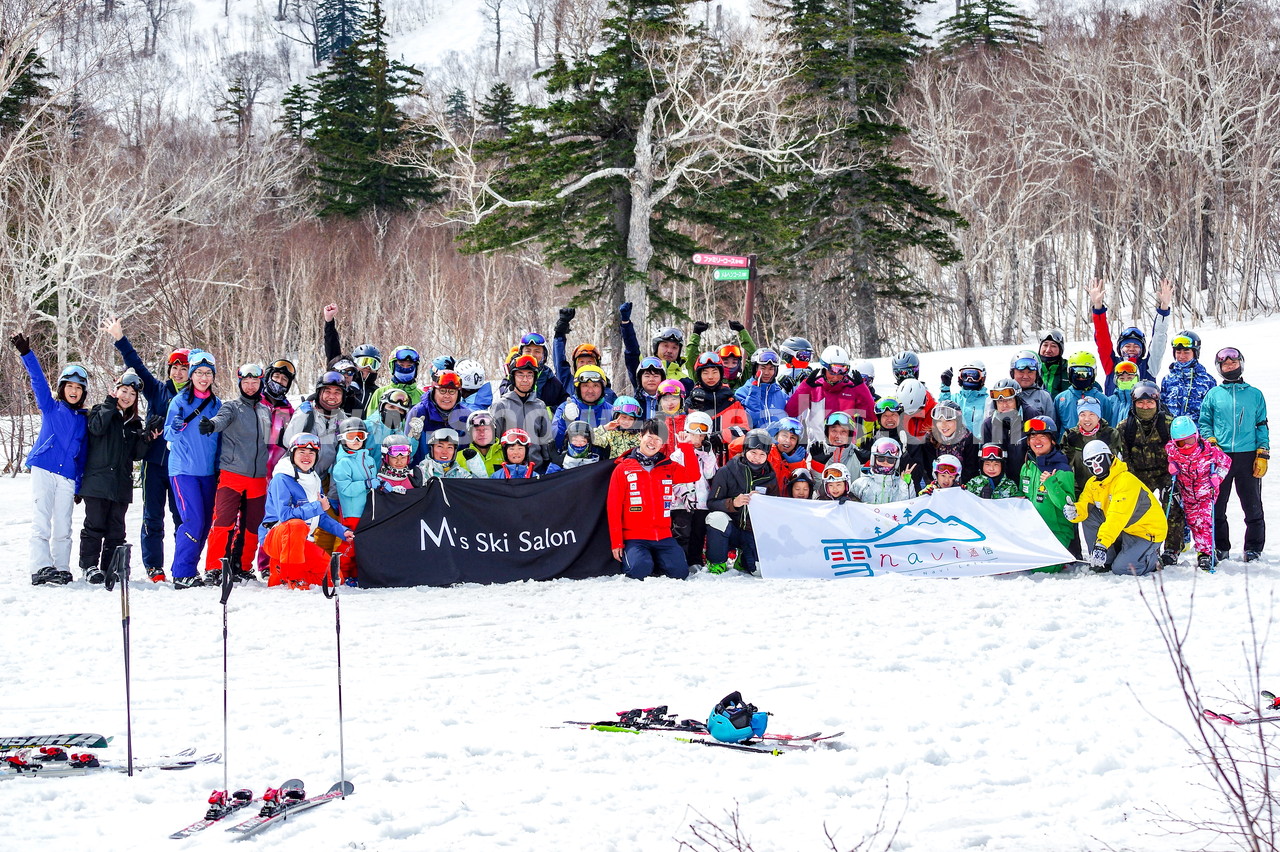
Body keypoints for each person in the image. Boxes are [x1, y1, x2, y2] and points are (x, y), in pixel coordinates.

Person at [105, 317, 184, 582]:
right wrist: (120, 339)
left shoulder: (197, 398)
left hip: (181, 467)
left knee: (182, 518)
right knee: (153, 516)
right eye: (175, 368)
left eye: (184, 369)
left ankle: (182, 564)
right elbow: (136, 365)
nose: (179, 373)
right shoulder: (157, 390)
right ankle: (154, 566)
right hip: (154, 463)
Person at [11, 332, 89, 586]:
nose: (74, 391)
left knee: (64, 525)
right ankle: (41, 567)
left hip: (66, 475)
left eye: (78, 388)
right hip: (44, 468)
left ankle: (61, 567)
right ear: (62, 388)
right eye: (70, 386)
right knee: (42, 520)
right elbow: (38, 381)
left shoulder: (84, 420)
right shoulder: (51, 407)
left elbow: (82, 455)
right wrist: (26, 353)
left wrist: (78, 484)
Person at [77, 371, 155, 584]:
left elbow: (136, 454)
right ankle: (89, 566)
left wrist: (147, 437)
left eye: (131, 394)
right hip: (97, 482)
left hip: (121, 485)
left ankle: (111, 566)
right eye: (124, 391)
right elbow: (96, 428)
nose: (127, 396)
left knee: (116, 528)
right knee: (94, 525)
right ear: (116, 390)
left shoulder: (133, 423)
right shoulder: (99, 411)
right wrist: (109, 403)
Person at [200, 363, 272, 584]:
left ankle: (242, 565)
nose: (250, 386)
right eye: (246, 382)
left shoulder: (265, 410)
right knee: (223, 521)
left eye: (255, 382)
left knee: (252, 525)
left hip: (258, 477)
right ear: (239, 383)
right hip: (232, 473)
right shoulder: (231, 407)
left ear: (261, 383)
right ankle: (214, 567)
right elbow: (220, 420)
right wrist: (211, 425)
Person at [606, 420, 701, 580]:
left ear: (663, 443)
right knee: (639, 571)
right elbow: (613, 506)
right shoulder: (623, 468)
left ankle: (658, 559)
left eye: (658, 439)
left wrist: (686, 447)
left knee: (679, 573)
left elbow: (693, 475)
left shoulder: (668, 466)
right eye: (650, 436)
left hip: (663, 536)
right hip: (635, 537)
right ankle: (646, 560)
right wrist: (617, 542)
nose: (653, 442)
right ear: (641, 436)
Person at [1198, 347, 1268, 562]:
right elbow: (1204, 422)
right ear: (1220, 368)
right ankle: (1221, 547)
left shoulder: (1254, 394)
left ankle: (1253, 547)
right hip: (1221, 457)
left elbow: (1261, 424)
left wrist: (1263, 453)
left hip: (1248, 456)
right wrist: (1210, 440)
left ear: (1240, 364)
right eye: (1225, 364)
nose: (1230, 366)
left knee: (1252, 505)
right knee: (1217, 506)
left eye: (1233, 363)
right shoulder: (1214, 394)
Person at [259, 432, 356, 588]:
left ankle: (281, 571)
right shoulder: (281, 478)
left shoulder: (314, 479)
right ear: (292, 453)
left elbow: (321, 517)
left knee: (334, 578)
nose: (307, 456)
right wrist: (317, 506)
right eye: (301, 452)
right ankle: (293, 578)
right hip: (276, 538)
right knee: (296, 525)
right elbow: (285, 516)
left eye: (312, 452)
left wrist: (342, 531)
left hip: (299, 542)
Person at [1065, 440, 1167, 576]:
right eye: (1089, 463)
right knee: (1090, 513)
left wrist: (1102, 545)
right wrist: (1076, 511)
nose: (1095, 466)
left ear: (1109, 456)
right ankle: (1105, 562)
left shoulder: (1125, 480)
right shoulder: (1093, 483)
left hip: (1145, 532)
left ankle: (1153, 559)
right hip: (1124, 529)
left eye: (1098, 459)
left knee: (1121, 569)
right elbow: (1085, 504)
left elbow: (1116, 516)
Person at [164, 349, 222, 588]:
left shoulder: (217, 404)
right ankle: (182, 572)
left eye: (208, 373)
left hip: (208, 471)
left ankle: (191, 569)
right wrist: (175, 428)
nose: (203, 377)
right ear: (191, 374)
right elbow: (167, 435)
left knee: (206, 522)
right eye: (199, 372)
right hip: (183, 470)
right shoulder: (179, 402)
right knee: (193, 520)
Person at [1116, 381, 1183, 565]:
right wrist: (1130, 482)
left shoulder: (1169, 424)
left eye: (1150, 403)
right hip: (1138, 473)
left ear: (1157, 403)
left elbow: (1180, 449)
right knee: (1136, 509)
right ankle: (1139, 545)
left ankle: (1172, 548)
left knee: (1172, 505)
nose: (1145, 407)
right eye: (1141, 403)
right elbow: (1123, 456)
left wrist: (1175, 470)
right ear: (1134, 403)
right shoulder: (1125, 427)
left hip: (1165, 472)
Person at [705, 429, 780, 575]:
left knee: (758, 571)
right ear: (745, 450)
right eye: (753, 452)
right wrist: (733, 503)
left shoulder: (770, 477)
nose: (756, 458)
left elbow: (774, 508)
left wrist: (763, 502)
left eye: (762, 454)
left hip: (753, 532)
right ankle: (717, 561)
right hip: (731, 528)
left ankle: (744, 558)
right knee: (715, 518)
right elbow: (712, 503)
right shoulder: (727, 471)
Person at [1166, 416, 1232, 571]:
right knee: (1191, 521)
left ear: (1196, 436)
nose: (1186, 446)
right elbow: (1169, 455)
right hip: (1187, 493)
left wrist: (1218, 477)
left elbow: (1226, 462)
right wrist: (1172, 465)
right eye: (1181, 443)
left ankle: (1205, 553)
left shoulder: (1209, 451)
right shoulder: (1173, 451)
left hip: (1205, 493)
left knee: (1203, 523)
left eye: (1189, 441)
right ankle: (1176, 549)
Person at [1087, 277, 1172, 390]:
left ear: (1142, 350)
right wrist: (1098, 306)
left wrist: (1164, 309)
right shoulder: (1111, 365)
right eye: (1127, 346)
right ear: (1120, 348)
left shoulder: (1149, 367)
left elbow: (1159, 340)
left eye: (1136, 346)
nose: (1131, 349)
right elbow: (1102, 339)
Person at [1017, 416, 1076, 572]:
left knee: (1041, 569)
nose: (1037, 440)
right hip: (1032, 530)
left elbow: (1068, 508)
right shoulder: (1027, 466)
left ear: (1053, 441)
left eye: (1043, 436)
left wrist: (1051, 484)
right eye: (1033, 436)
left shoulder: (1063, 469)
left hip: (1056, 531)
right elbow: (1024, 493)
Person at [784, 345, 874, 445]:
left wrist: (862, 388)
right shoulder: (815, 387)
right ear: (824, 368)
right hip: (818, 447)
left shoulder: (851, 388)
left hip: (846, 447)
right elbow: (791, 412)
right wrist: (805, 387)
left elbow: (871, 416)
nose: (836, 376)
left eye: (842, 370)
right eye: (833, 370)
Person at [330, 417, 378, 583]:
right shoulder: (343, 463)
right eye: (351, 437)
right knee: (349, 544)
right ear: (343, 439)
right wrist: (366, 484)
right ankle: (338, 574)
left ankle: (355, 574)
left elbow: (373, 482)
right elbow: (345, 489)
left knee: (362, 544)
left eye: (360, 436)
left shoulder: (369, 459)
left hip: (367, 510)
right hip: (352, 511)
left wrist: (380, 485)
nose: (356, 441)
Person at [670, 411, 718, 570]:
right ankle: (680, 560)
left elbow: (711, 473)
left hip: (701, 502)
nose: (696, 439)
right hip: (681, 504)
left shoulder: (707, 455)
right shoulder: (678, 454)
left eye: (700, 436)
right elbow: (673, 478)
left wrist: (708, 454)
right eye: (692, 434)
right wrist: (684, 494)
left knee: (698, 533)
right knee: (683, 533)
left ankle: (695, 561)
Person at [490, 354, 555, 468]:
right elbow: (494, 442)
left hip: (536, 468)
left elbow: (546, 440)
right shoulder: (500, 405)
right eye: (520, 375)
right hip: (509, 470)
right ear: (513, 377)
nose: (525, 380)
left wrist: (548, 462)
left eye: (529, 375)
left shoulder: (539, 405)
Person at [687, 352, 750, 457]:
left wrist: (722, 436)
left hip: (727, 461)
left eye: (715, 372)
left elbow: (744, 429)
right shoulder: (692, 402)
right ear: (699, 375)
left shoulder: (732, 401)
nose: (710, 377)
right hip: (699, 461)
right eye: (705, 373)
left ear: (721, 374)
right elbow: (684, 432)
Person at [321, 303, 381, 411]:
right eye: (364, 362)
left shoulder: (377, 392)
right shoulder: (346, 382)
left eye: (373, 364)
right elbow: (333, 350)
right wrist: (329, 322)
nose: (368, 366)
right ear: (355, 363)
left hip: (362, 426)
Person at [1061, 396, 1123, 500]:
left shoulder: (1111, 433)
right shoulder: (1070, 435)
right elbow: (1063, 466)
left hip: (1106, 488)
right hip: (1080, 489)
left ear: (1098, 417)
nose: (1087, 419)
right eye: (1082, 414)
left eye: (1092, 414)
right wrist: (1070, 448)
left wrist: (1108, 447)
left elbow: (1119, 464)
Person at [407, 370, 472, 465]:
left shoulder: (464, 416)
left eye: (452, 392)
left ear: (458, 394)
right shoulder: (419, 412)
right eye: (442, 391)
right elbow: (406, 452)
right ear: (433, 391)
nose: (447, 396)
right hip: (422, 473)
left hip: (453, 474)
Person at [620, 302, 690, 383]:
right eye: (665, 346)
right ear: (656, 347)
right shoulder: (643, 370)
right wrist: (626, 324)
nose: (669, 351)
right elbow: (632, 352)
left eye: (674, 347)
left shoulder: (686, 381)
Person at [552, 365, 614, 451]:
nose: (590, 390)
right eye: (585, 385)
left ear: (602, 388)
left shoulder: (612, 411)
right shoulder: (564, 408)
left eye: (595, 385)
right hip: (569, 462)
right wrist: (564, 420)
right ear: (578, 388)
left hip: (602, 463)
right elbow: (555, 445)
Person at [1160, 331, 1216, 422]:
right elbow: (1162, 408)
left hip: (1197, 432)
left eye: (1186, 352)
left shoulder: (1207, 380)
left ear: (1195, 353)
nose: (1182, 356)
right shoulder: (1167, 380)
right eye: (1178, 352)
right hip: (1172, 431)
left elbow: (1212, 411)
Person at [685, 320, 757, 388]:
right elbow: (691, 361)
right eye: (725, 362)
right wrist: (696, 334)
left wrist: (742, 332)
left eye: (734, 362)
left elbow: (755, 357)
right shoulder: (706, 382)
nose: (730, 366)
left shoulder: (743, 384)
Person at [981, 377, 1028, 475]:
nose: (1004, 405)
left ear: (1017, 400)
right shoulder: (988, 424)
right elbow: (985, 459)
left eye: (1009, 400)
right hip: (1002, 482)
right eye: (1000, 401)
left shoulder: (1031, 418)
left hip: (1026, 478)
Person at [849, 437, 915, 504]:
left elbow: (909, 505)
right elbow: (851, 507)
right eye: (881, 459)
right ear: (873, 459)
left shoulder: (900, 484)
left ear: (896, 463)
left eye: (890, 460)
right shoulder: (861, 483)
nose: (885, 462)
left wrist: (905, 484)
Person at [926, 400, 978, 483]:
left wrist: (957, 485)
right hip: (937, 486)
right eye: (939, 421)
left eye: (949, 420)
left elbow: (971, 469)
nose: (943, 425)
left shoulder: (968, 438)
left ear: (957, 421)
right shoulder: (930, 439)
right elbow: (928, 467)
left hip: (962, 486)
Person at [735, 348, 789, 428]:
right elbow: (747, 423)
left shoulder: (782, 396)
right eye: (763, 368)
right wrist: (754, 391)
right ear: (755, 369)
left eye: (771, 369)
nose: (767, 373)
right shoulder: (742, 393)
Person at [1053, 351, 1106, 432]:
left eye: (1086, 374)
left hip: (1095, 442)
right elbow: (1056, 426)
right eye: (1076, 373)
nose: (1081, 378)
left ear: (1093, 373)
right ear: (1069, 373)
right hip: (1067, 442)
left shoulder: (1103, 399)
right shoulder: (1061, 399)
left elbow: (1109, 426)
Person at [365, 346, 424, 415]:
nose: (405, 369)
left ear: (415, 369)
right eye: (401, 365)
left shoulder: (423, 397)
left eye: (409, 366)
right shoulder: (380, 393)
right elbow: (370, 422)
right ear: (392, 367)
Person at [939, 359, 987, 436]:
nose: (970, 379)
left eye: (975, 375)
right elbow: (942, 411)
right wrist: (945, 389)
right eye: (965, 375)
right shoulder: (955, 399)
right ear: (960, 377)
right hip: (958, 445)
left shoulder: (987, 401)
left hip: (979, 446)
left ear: (982, 377)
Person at [491, 428, 561, 478]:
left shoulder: (534, 476)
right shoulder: (496, 476)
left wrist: (554, 467)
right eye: (511, 449)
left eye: (520, 448)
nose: (516, 452)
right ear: (505, 452)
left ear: (526, 451)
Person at [1006, 350, 1055, 421]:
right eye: (1021, 372)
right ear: (1013, 373)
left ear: (1036, 374)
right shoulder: (1004, 393)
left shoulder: (1044, 396)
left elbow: (1051, 423)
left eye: (1030, 372)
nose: (1025, 376)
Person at [459, 410, 504, 477]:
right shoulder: (459, 458)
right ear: (470, 433)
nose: (482, 434)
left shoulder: (506, 454)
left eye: (486, 429)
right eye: (477, 430)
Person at [1037, 329, 1070, 397]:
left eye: (1053, 346)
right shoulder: (1031, 369)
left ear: (1060, 350)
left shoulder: (1069, 370)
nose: (1048, 350)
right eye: (1045, 345)